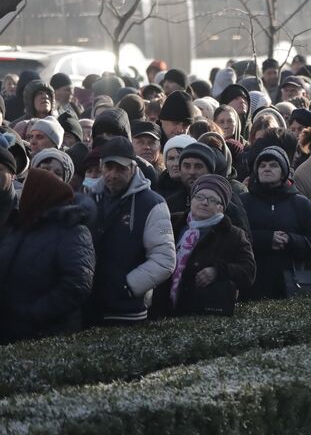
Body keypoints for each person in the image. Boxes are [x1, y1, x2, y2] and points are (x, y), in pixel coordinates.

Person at [85, 137, 175, 325]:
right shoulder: (90, 199)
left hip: (128, 311)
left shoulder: (152, 204)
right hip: (89, 307)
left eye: (121, 168)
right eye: (109, 167)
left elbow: (164, 259)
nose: (113, 174)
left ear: (134, 168)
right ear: (101, 167)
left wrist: (127, 287)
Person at [0, 167, 94, 342]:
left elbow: (77, 285)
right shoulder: (20, 226)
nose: (21, 194)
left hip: (45, 334)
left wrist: (33, 313)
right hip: (11, 329)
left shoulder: (73, 231)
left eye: (27, 188)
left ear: (38, 194)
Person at [157, 174, 256, 315]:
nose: (204, 203)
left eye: (212, 200)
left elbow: (248, 272)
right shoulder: (173, 223)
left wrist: (218, 271)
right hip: (162, 309)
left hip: (202, 312)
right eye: (199, 197)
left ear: (221, 207)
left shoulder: (233, 235)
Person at [240, 146, 311, 299]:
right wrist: (266, 239)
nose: (267, 169)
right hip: (252, 285)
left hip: (291, 285)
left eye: (273, 165)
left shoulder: (300, 203)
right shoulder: (243, 202)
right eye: (262, 165)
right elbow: (234, 237)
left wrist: (291, 240)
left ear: (284, 171)